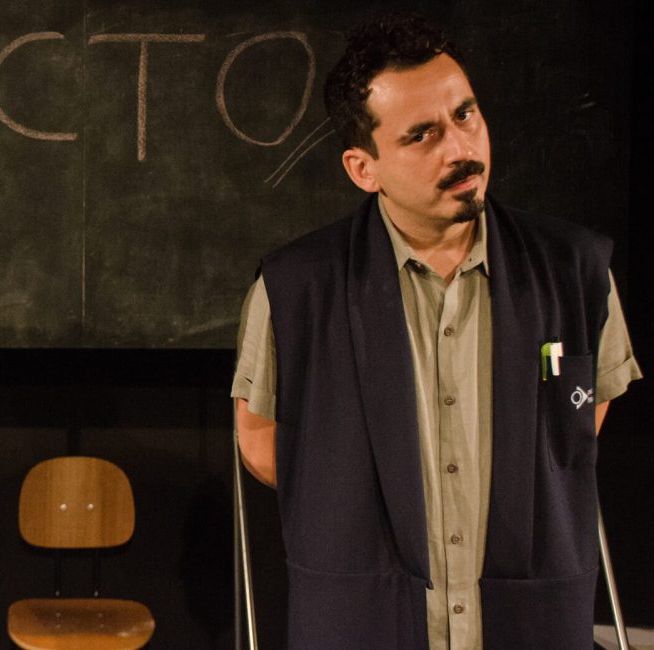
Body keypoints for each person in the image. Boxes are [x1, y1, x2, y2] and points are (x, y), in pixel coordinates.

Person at [231, 14, 641, 650]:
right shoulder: (297, 287)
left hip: (527, 616)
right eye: (421, 135)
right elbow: (261, 444)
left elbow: (583, 418)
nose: (459, 149)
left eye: (465, 115)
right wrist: (358, 486)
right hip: (366, 616)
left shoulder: (573, 271)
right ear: (363, 168)